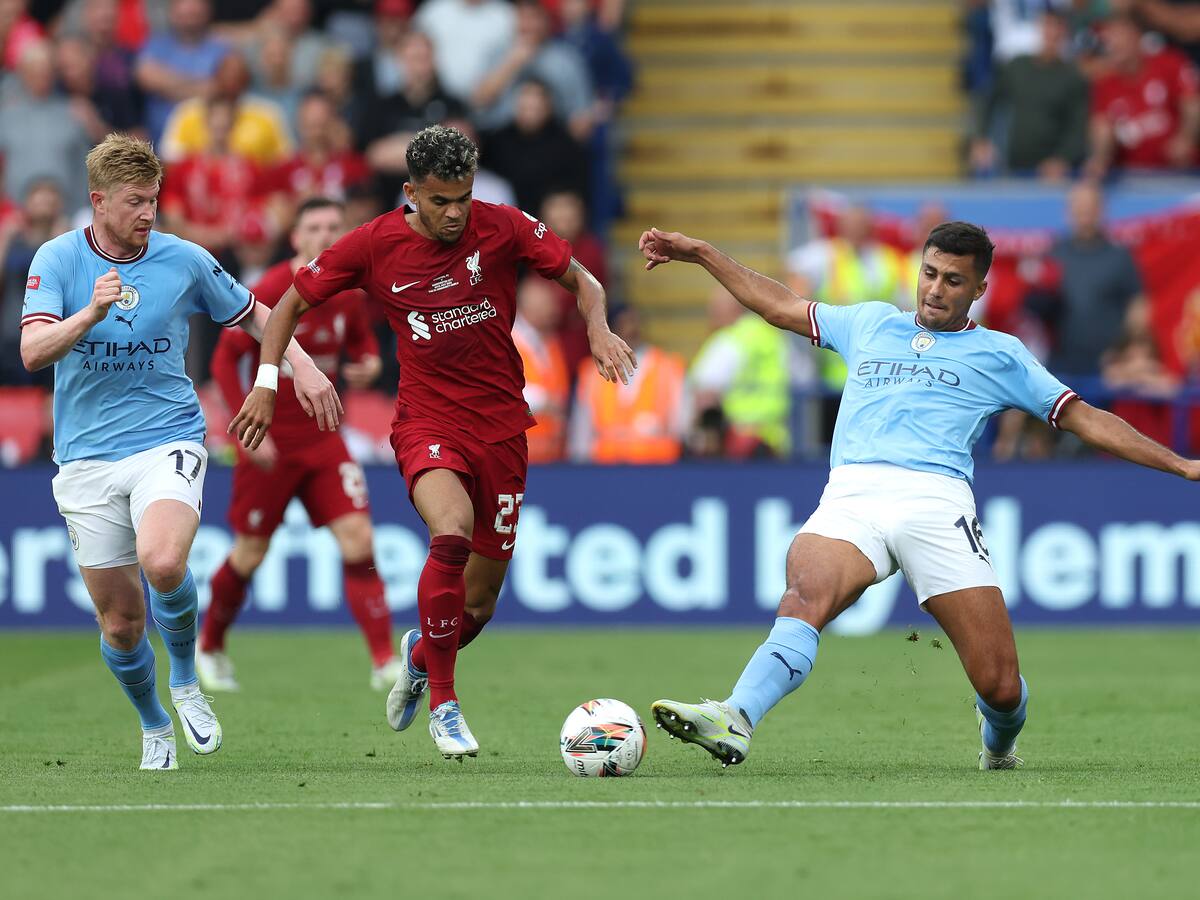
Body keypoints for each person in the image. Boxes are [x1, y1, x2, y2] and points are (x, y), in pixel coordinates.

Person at [638, 220, 1200, 770]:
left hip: (935, 503)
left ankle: (998, 741)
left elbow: (1082, 418)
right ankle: (736, 715)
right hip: (853, 494)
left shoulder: (1001, 355)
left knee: (1000, 686)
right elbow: (779, 305)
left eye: (953, 280)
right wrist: (704, 253)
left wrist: (1178, 464)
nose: (935, 288)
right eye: (929, 273)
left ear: (979, 289)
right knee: (805, 595)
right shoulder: (869, 323)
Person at [228, 124, 634, 760]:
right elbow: (283, 307)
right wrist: (268, 382)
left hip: (502, 428)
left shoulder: (502, 225)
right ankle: (444, 703)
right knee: (451, 530)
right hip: (427, 423)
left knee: (479, 602)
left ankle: (421, 655)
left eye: (463, 198)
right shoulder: (371, 244)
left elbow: (585, 281)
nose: (454, 213)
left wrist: (599, 328)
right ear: (410, 191)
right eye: (440, 200)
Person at [18, 132, 339, 770]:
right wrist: (88, 314)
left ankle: (187, 680)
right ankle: (154, 722)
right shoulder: (55, 260)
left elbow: (255, 313)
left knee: (163, 563)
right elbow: (33, 353)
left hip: (166, 436)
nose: (148, 213)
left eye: (154, 201)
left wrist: (299, 367)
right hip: (84, 457)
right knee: (120, 625)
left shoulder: (183, 259)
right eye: (135, 202)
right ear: (99, 201)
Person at [199, 196, 396, 691]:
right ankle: (210, 646)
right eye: (315, 226)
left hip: (326, 440)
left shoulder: (347, 290)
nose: (327, 235)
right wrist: (243, 432)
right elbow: (225, 361)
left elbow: (361, 340)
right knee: (250, 554)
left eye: (335, 225)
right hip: (272, 442)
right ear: (296, 237)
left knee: (360, 541)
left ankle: (382, 661)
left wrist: (369, 362)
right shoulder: (270, 290)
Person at [970, 9, 1089, 180]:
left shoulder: (1073, 76)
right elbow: (989, 101)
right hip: (1013, 166)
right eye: (1047, 25)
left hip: (1053, 173)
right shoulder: (1017, 66)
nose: (1051, 33)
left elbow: (1078, 126)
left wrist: (1063, 159)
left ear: (1065, 32)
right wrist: (981, 138)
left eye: (1058, 27)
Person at [568, 304, 688, 464]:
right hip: (604, 471)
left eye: (634, 322)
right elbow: (581, 432)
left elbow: (682, 426)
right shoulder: (592, 373)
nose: (631, 329)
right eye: (624, 323)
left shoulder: (668, 367)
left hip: (657, 469)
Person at [1086, 13, 1200, 176]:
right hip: (1134, 178)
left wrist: (1186, 138)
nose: (1111, 42)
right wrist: (1099, 158)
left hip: (1181, 174)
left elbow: (1192, 102)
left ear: (1136, 35)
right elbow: (1102, 126)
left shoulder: (1168, 63)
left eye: (1118, 34)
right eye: (1107, 36)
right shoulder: (1105, 82)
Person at [512, 276, 570, 463]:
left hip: (552, 451)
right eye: (547, 302)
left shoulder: (551, 342)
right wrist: (543, 400)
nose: (554, 309)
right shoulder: (508, 340)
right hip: (519, 452)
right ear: (530, 307)